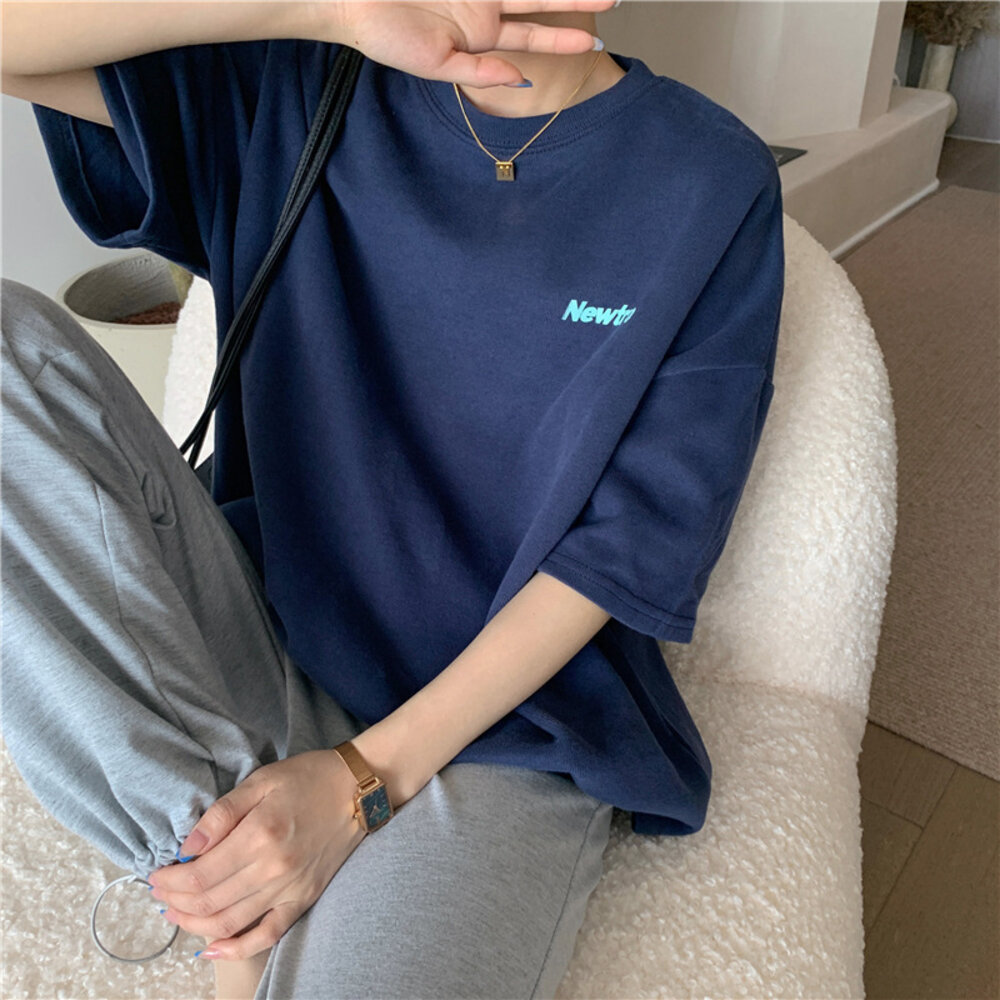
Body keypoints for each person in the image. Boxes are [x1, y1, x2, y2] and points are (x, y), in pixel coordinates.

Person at [0, 1, 785, 997]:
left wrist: (359, 783)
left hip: (503, 724)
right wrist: (324, 7)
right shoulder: (295, 79)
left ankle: (242, 881)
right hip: (261, 628)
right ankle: (221, 870)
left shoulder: (708, 179)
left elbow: (623, 549)